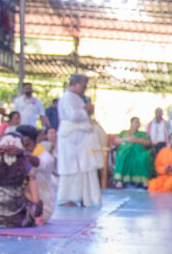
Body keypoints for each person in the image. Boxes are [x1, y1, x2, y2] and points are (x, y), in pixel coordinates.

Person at [55, 74, 101, 207]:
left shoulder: (78, 98)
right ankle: (67, 197)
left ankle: (81, 196)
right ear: (74, 84)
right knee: (71, 167)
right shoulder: (68, 97)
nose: (84, 89)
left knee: (82, 168)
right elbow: (73, 116)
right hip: (71, 136)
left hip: (80, 137)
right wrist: (85, 110)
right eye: (83, 86)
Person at [16, 124, 56, 219]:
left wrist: (24, 155)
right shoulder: (15, 154)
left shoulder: (46, 156)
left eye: (27, 145)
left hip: (42, 208)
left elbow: (40, 163)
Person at [112, 116, 151, 188]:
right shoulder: (124, 132)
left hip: (138, 151)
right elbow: (116, 140)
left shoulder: (143, 134)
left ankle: (143, 180)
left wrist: (137, 140)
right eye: (135, 122)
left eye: (138, 122)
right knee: (122, 155)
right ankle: (119, 180)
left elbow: (148, 143)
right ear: (131, 123)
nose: (137, 124)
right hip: (125, 150)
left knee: (143, 157)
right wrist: (126, 139)